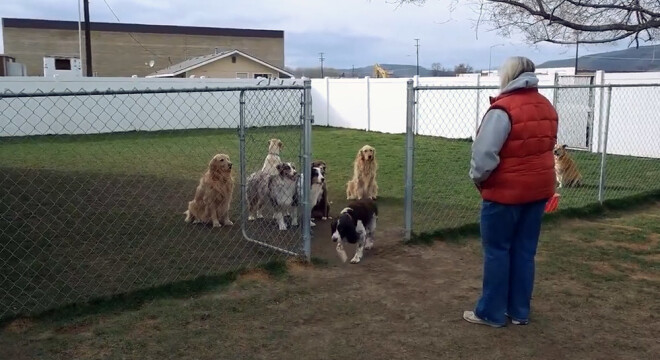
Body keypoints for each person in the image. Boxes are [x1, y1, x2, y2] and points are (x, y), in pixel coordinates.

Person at [463, 56, 558, 327]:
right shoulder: (546, 106)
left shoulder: (502, 109)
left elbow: (483, 155)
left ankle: (491, 312)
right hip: (538, 192)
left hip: (504, 195)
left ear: (509, 75)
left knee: (497, 251)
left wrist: (479, 181)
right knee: (525, 252)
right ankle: (519, 311)